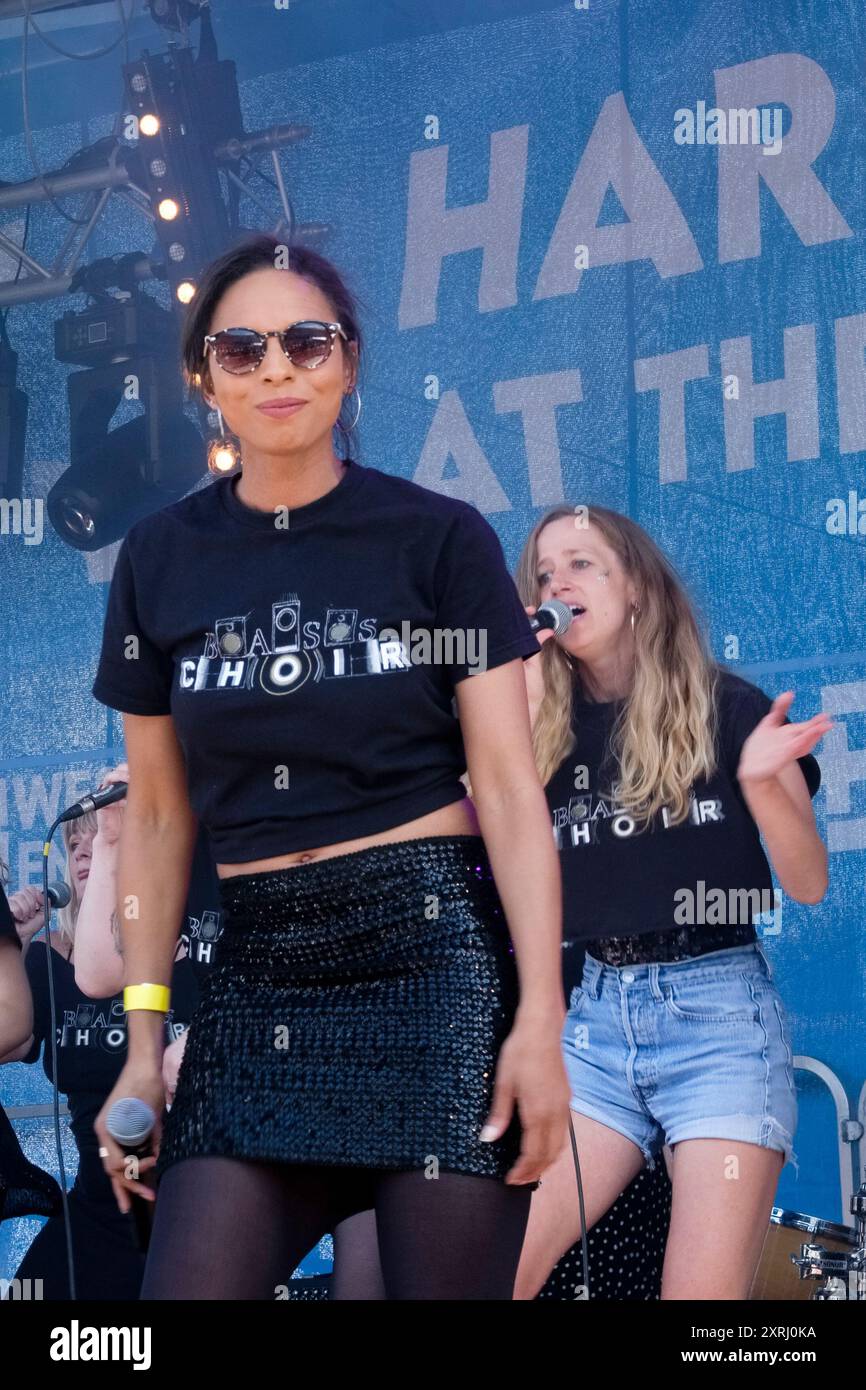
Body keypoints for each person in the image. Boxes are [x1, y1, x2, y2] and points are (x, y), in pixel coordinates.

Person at [90, 232, 570, 1301]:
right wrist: (142, 1040)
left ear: (348, 362)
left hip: (432, 964)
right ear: (202, 375)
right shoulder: (159, 559)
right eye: (243, 346)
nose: (276, 369)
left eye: (307, 343)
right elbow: (160, 824)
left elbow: (504, 789)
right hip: (257, 979)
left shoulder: (435, 538)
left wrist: (538, 1018)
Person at [504, 504, 828, 1301]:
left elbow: (810, 882)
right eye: (544, 573)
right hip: (597, 1021)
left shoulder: (727, 707)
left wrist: (760, 782)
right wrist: (508, 714)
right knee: (497, 1269)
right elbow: (485, 835)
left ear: (638, 588)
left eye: (581, 564)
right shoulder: (536, 724)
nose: (558, 584)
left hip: (715, 1017)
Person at [0, 805, 198, 1299]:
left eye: (100, 838)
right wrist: (17, 946)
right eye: (74, 845)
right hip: (96, 1200)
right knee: (30, 1293)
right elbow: (12, 1040)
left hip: (185, 1196)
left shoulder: (184, 944)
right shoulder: (51, 956)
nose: (84, 850)